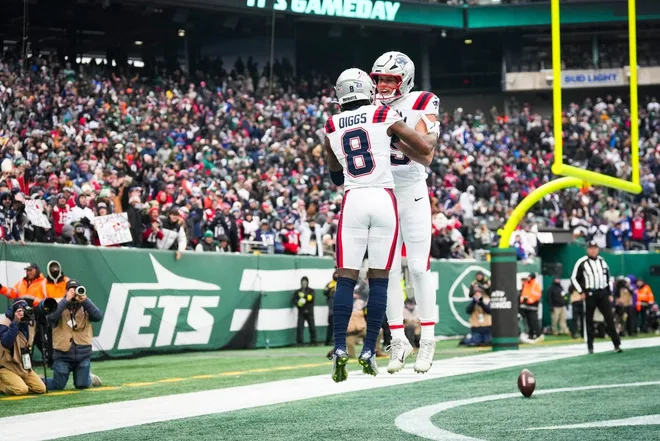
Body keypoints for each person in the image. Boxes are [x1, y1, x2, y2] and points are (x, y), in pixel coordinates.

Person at [324, 68, 431, 382]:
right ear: (367, 89)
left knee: (345, 279)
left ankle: (341, 347)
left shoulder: (330, 124)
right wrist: (392, 141)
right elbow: (424, 148)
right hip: (385, 199)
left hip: (354, 199)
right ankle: (371, 349)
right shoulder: (382, 113)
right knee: (381, 280)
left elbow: (333, 174)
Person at [370, 51, 441, 374]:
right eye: (380, 79)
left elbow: (427, 156)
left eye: (390, 79)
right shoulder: (367, 104)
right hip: (382, 191)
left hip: (411, 190)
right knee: (387, 270)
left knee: (418, 267)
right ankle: (398, 340)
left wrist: (394, 135)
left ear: (405, 80)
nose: (383, 85)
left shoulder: (423, 101)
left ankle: (428, 338)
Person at [45, 279, 103, 390]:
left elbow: (98, 316)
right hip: (63, 355)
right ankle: (37, 381)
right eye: (70, 290)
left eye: (75, 290)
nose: (73, 293)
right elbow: (51, 317)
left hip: (83, 354)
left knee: (82, 385)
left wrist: (85, 300)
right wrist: (66, 300)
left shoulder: (85, 305)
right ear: (65, 291)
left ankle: (88, 378)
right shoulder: (59, 305)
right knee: (58, 386)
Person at [570, 241, 622, 354]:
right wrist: (581, 291)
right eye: (591, 248)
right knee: (589, 320)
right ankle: (590, 346)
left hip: (603, 293)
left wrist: (609, 293)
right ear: (587, 250)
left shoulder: (602, 261)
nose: (593, 250)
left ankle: (617, 344)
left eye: (595, 248)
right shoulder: (582, 262)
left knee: (609, 318)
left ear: (598, 249)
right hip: (590, 294)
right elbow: (574, 278)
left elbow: (608, 278)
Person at [0, 300, 47, 396]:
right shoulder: (4, 325)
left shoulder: (29, 325)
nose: (22, 313)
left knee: (41, 388)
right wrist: (15, 322)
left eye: (24, 310)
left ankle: (18, 382)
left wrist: (41, 319)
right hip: (6, 366)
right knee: (21, 390)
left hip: (22, 366)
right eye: (19, 310)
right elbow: (6, 343)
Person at [292, 276, 317, 346]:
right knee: (300, 327)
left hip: (309, 312)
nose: (304, 284)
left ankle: (313, 341)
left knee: (312, 327)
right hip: (301, 312)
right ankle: (300, 342)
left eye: (305, 282)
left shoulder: (311, 291)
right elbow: (293, 300)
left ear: (307, 283)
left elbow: (311, 297)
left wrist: (304, 296)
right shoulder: (297, 292)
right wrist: (298, 303)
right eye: (303, 283)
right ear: (301, 283)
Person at [520, 273, 542, 341]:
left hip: (532, 306)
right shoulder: (526, 284)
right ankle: (531, 334)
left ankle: (538, 334)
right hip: (525, 306)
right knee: (528, 321)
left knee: (533, 321)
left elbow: (537, 295)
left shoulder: (535, 284)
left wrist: (530, 300)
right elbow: (524, 293)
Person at [323, 270, 338, 346]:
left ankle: (336, 341)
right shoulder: (330, 283)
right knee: (330, 325)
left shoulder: (341, 284)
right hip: (331, 309)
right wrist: (330, 289)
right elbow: (324, 292)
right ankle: (328, 340)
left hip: (339, 309)